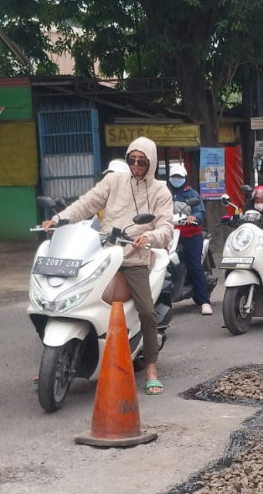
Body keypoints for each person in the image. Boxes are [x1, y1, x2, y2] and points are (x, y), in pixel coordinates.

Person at [41, 137, 173, 395]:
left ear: (151, 163)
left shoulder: (160, 191)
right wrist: (59, 218)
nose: (136, 165)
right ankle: (56, 359)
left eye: (142, 161)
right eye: (132, 159)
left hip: (134, 258)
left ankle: (151, 369)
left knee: (147, 311)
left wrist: (149, 238)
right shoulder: (114, 181)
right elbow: (88, 202)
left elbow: (166, 227)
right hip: (102, 254)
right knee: (65, 295)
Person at [167, 163, 212, 316]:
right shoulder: (165, 194)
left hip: (191, 235)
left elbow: (200, 211)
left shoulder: (191, 194)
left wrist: (194, 217)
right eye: (174, 177)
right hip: (170, 235)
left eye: (179, 177)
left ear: (185, 178)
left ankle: (205, 301)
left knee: (194, 265)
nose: (176, 179)